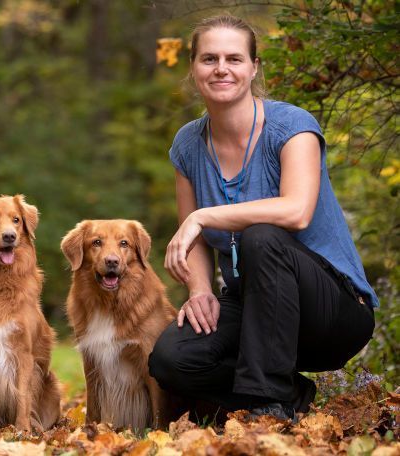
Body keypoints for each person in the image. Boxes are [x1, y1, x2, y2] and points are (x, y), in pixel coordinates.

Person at [148, 14, 378, 422]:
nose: (221, 68)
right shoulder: (187, 144)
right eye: (209, 58)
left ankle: (268, 408)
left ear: (254, 67)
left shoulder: (292, 127)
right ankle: (289, 396)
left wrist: (204, 214)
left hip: (332, 310)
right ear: (193, 68)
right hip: (251, 304)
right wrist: (200, 290)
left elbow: (296, 209)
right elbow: (195, 239)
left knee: (262, 236)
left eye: (234, 58)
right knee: (172, 360)